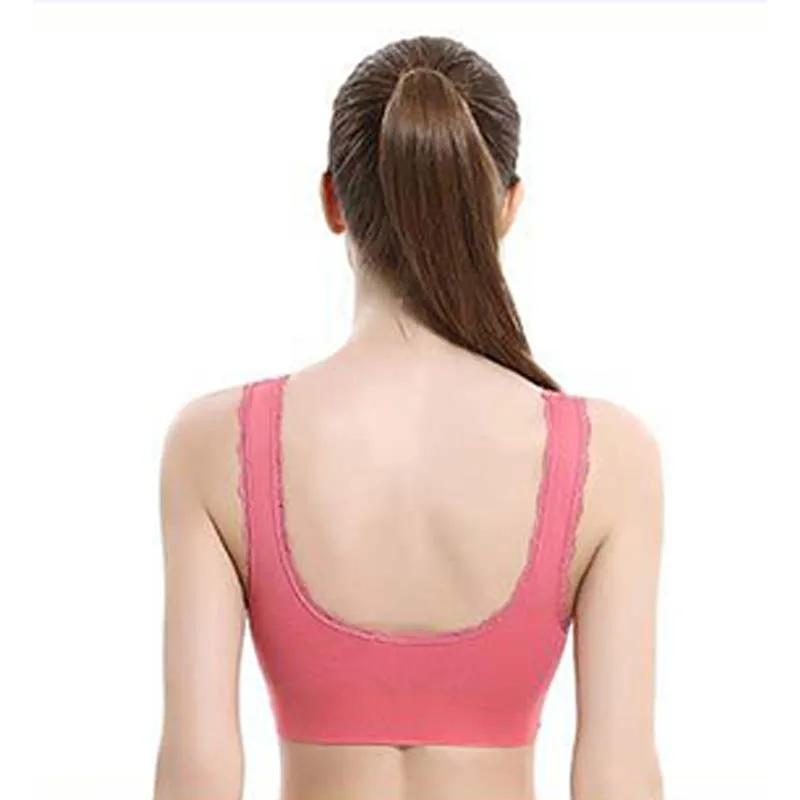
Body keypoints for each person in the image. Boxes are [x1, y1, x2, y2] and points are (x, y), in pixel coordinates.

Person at [153, 35, 664, 800]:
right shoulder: (610, 455)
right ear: (507, 208)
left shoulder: (214, 443)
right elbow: (617, 780)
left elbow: (195, 778)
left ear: (333, 201)